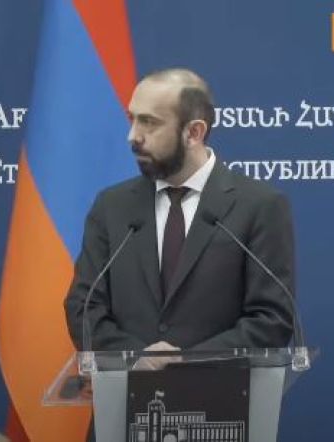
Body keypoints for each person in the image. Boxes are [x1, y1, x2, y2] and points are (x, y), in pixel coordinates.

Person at [65, 68, 294, 360]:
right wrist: (138, 357)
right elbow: (83, 307)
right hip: (128, 386)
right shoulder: (112, 206)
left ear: (194, 132)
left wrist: (186, 363)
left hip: (221, 386)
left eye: (149, 122)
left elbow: (272, 319)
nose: (132, 136)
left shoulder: (259, 206)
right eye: (132, 119)